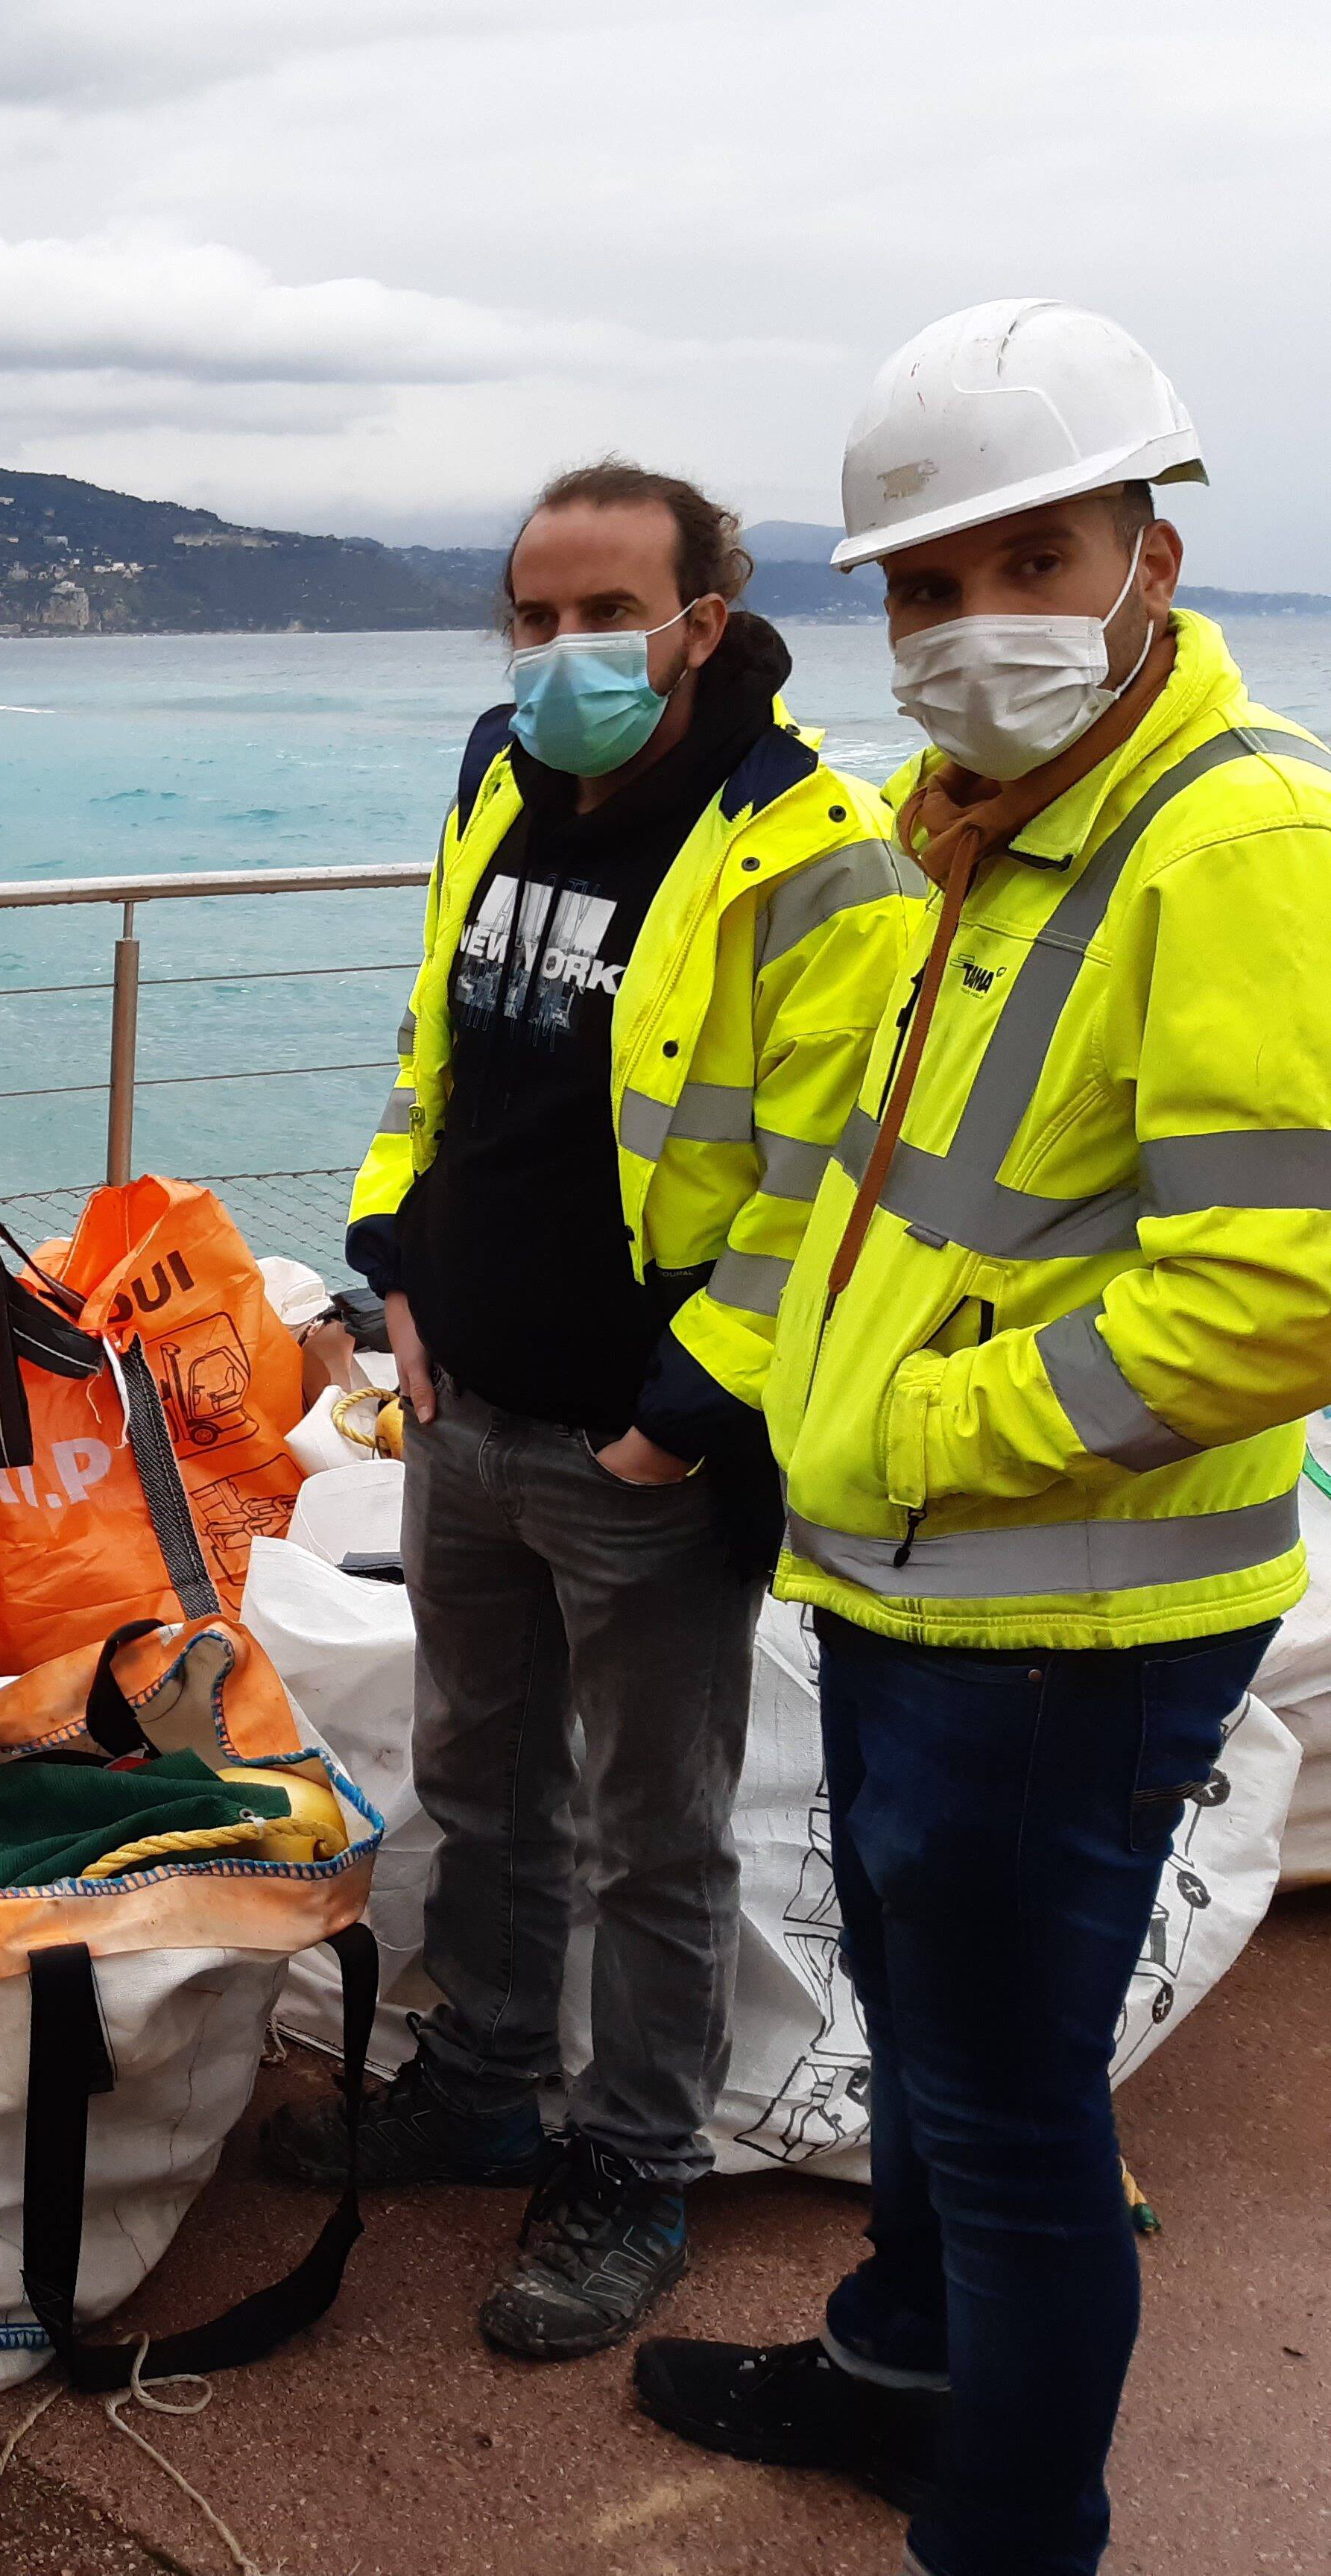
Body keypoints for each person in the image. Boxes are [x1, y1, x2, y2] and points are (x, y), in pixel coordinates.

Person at [633, 301, 1331, 2575]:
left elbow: (1277, 1292)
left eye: (1029, 562)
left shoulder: (1231, 847)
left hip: (1068, 1608)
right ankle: (897, 2367)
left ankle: (1004, 2531)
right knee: (936, 2056)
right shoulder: (1001, 828)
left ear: (1152, 551)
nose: (966, 626)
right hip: (927, 1578)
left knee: (1019, 2122)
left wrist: (924, 1433)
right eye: (925, 588)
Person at [262, 461, 922, 2359]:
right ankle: (479, 2078)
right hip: (463, 1399)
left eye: (606, 615)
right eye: (535, 617)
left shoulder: (818, 853)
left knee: (657, 1832)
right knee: (481, 1778)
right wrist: (395, 1265)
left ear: (702, 619)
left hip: (642, 1445)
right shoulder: (497, 770)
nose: (563, 653)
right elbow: (444, 1045)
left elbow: (828, 1176)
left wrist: (682, 1414)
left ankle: (630, 2163)